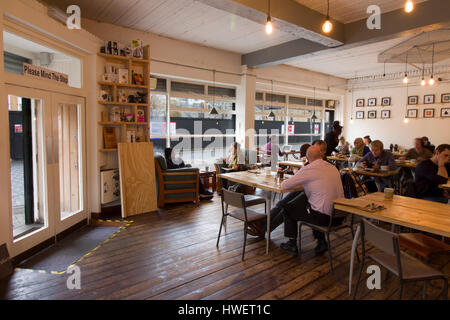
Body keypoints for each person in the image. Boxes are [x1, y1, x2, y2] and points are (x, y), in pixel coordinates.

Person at [274, 145, 345, 255]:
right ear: (322, 155)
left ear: (306, 158)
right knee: (314, 204)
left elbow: (284, 185)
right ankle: (321, 242)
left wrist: (298, 174)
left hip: (325, 218)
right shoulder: (333, 167)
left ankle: (291, 244)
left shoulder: (308, 169)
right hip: (340, 216)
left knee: (288, 208)